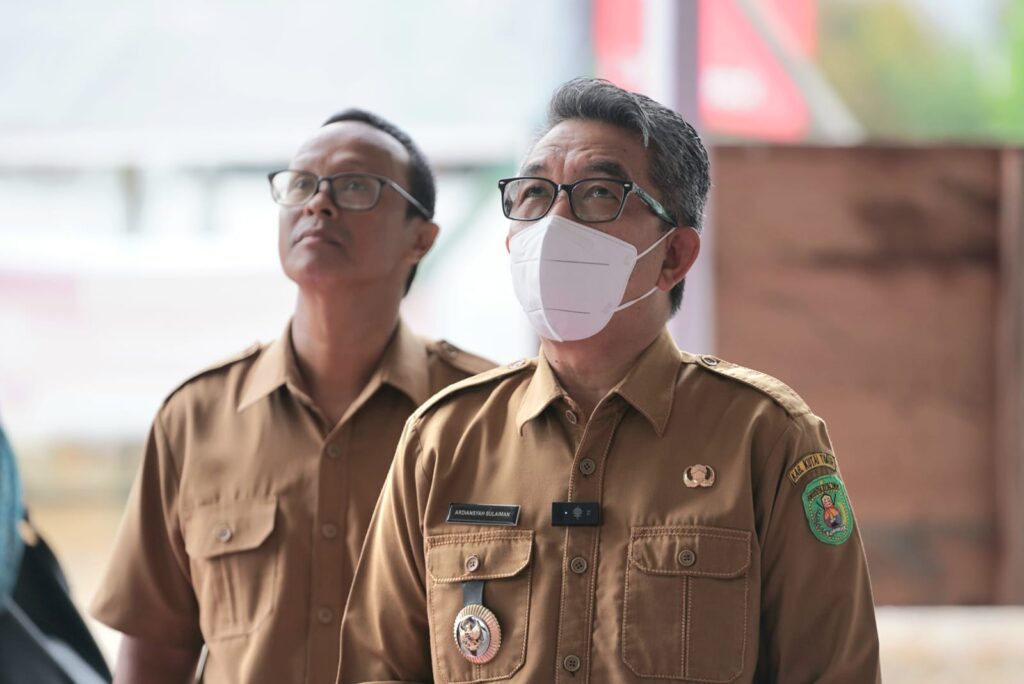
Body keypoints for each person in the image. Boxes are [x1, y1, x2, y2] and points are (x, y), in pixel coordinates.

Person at [337, 79, 880, 683]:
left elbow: (834, 671)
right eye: (534, 193)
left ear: (673, 256)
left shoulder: (766, 437)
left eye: (598, 193)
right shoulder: (442, 440)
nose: (555, 221)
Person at [90, 109, 494, 684]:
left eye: (356, 186)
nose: (319, 203)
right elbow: (153, 656)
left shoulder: (483, 414)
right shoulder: (197, 417)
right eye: (302, 184)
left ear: (420, 238)